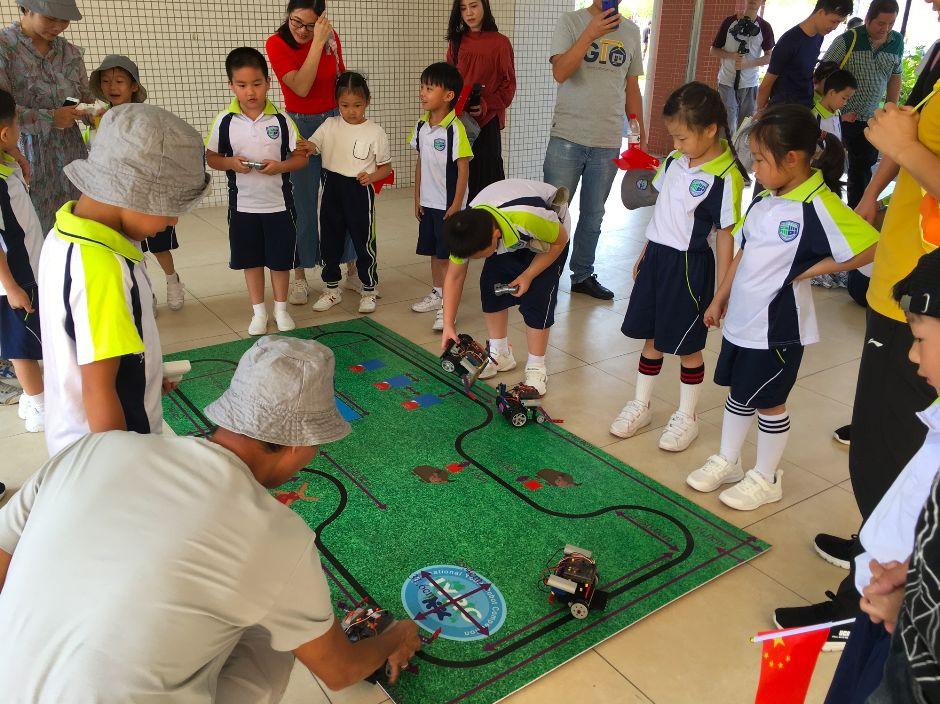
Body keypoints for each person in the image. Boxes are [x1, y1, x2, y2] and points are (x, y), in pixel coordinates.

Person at [0, 335, 422, 700]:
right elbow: (338, 671)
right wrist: (395, 637)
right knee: (274, 634)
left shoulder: (93, 448)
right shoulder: (277, 536)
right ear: (301, 444)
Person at [774, 2, 940, 648]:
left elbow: (906, 137)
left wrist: (897, 147)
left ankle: (865, 597)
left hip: (921, 305)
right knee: (878, 442)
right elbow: (910, 134)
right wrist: (875, 187)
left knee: (892, 453)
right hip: (898, 286)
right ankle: (871, 543)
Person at [685, 104, 877, 512]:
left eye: (759, 159)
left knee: (769, 401)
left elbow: (869, 246)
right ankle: (729, 460)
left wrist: (811, 269)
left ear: (792, 158)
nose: (755, 169)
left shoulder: (818, 205)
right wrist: (721, 297)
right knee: (739, 394)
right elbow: (744, 250)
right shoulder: (765, 200)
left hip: (778, 330)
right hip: (742, 321)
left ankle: (766, 477)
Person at [38, 103, 211, 457]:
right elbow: (99, 391)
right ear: (132, 196)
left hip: (78, 443)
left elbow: (90, 350)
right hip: (107, 454)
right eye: (170, 208)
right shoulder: (101, 267)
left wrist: (143, 375)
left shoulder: (65, 236)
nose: (174, 221)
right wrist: (120, 473)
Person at [824, 248, 940, 704]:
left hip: (916, 648)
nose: (911, 355)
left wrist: (913, 610)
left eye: (921, 340)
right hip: (894, 607)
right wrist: (912, 577)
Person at [610, 83, 746, 453]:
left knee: (687, 346)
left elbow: (725, 236)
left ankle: (688, 416)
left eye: (682, 137)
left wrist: (721, 293)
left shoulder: (725, 176)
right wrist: (646, 248)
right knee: (650, 337)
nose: (676, 144)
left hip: (689, 268)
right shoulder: (673, 162)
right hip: (657, 259)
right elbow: (664, 211)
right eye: (673, 136)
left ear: (710, 130)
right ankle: (642, 405)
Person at [544, 0, 645, 301]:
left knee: (594, 214)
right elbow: (560, 72)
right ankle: (544, 274)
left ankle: (583, 275)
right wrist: (589, 34)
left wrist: (638, 136)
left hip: (607, 138)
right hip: (567, 136)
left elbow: (632, 87)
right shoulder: (571, 22)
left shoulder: (631, 31)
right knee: (554, 212)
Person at [206, 48, 309, 336]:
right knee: (250, 261)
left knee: (279, 261)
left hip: (279, 205)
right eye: (241, 85)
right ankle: (259, 312)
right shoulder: (225, 121)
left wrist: (281, 167)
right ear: (231, 86)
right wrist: (230, 163)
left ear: (268, 82)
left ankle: (280, 309)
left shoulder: (282, 121)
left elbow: (301, 158)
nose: (250, 91)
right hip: (243, 208)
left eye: (256, 83)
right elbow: (211, 157)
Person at [266, 0, 358, 306]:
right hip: (301, 126)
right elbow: (301, 88)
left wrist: (350, 122)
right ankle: (301, 277)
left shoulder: (331, 37)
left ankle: (352, 269)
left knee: (344, 200)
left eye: (310, 25)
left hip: (334, 121)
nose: (303, 31)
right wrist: (318, 41)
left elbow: (340, 82)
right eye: (296, 22)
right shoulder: (277, 43)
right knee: (302, 205)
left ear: (321, 19)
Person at [441, 179, 570, 396]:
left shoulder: (529, 218)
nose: (473, 260)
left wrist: (528, 275)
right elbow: (454, 277)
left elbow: (560, 241)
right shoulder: (463, 231)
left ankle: (536, 367)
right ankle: (500, 354)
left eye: (478, 256)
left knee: (537, 298)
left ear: (495, 236)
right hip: (508, 227)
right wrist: (448, 325)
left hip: (548, 238)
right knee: (491, 287)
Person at [86, 54, 187, 312]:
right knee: (130, 250)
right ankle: (145, 294)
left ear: (134, 86)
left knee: (159, 245)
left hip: (150, 196)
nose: (112, 86)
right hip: (117, 199)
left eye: (119, 80)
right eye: (106, 81)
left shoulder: (148, 117)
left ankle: (172, 279)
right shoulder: (97, 118)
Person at [0, 0, 92, 235]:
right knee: (32, 228)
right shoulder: (5, 47)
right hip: (23, 151)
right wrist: (49, 117)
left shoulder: (69, 52)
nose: (59, 26)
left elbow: (86, 94)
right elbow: (2, 111)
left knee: (78, 219)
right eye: (51, 18)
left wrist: (95, 110)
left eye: (65, 19)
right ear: (27, 8)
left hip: (71, 151)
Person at [305, 72, 391, 315]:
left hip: (359, 190)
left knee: (364, 241)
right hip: (332, 186)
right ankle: (331, 289)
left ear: (368, 101)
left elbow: (386, 168)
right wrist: (305, 146)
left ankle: (368, 289)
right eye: (345, 105)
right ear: (337, 103)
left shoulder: (375, 131)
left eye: (357, 105)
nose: (351, 111)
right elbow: (314, 146)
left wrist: (371, 177)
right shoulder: (330, 125)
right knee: (330, 239)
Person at [409, 62, 472, 333]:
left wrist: (457, 204)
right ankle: (437, 293)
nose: (423, 93)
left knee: (447, 256)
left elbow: (463, 167)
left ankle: (449, 305)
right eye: (423, 87)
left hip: (448, 206)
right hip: (429, 203)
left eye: (430, 88)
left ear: (448, 95)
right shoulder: (422, 125)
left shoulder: (455, 128)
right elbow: (420, 161)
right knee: (434, 252)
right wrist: (417, 198)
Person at [822, 0, 904, 208]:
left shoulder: (896, 41)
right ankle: (827, 210)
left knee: (862, 169)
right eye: (880, 23)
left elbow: (895, 75)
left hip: (870, 119)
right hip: (840, 118)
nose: (885, 28)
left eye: (891, 23)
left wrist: (890, 109)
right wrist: (832, 111)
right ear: (868, 19)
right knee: (830, 165)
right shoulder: (848, 39)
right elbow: (823, 74)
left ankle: (856, 212)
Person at [0, 89, 43, 433]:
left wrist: (14, 154)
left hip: (23, 272)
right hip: (14, 278)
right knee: (22, 346)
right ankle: (41, 406)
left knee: (25, 341)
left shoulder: (5, 164)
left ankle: (32, 398)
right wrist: (12, 286)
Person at [445, 0, 516, 200]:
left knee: (488, 185)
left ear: (484, 6)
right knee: (460, 182)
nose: (469, 13)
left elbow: (509, 86)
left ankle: (489, 229)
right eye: (463, 8)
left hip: (488, 124)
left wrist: (486, 104)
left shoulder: (500, 43)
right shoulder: (456, 42)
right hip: (459, 121)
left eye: (474, 6)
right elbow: (448, 82)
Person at [755, 0, 853, 112]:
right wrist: (761, 112)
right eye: (833, 21)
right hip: (783, 113)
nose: (835, 27)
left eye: (839, 23)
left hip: (805, 109)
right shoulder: (789, 41)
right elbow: (766, 85)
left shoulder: (819, 36)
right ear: (821, 12)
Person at [709, 0, 775, 134]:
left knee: (745, 126)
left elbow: (769, 57)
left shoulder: (765, 27)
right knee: (727, 124)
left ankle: (740, 154)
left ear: (763, 2)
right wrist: (732, 55)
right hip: (727, 82)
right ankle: (727, 152)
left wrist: (747, 64)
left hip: (749, 84)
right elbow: (713, 50)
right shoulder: (729, 22)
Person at [813, 65, 858, 141]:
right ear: (832, 92)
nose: (845, 103)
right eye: (844, 98)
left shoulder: (838, 112)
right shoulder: (813, 117)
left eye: (847, 99)